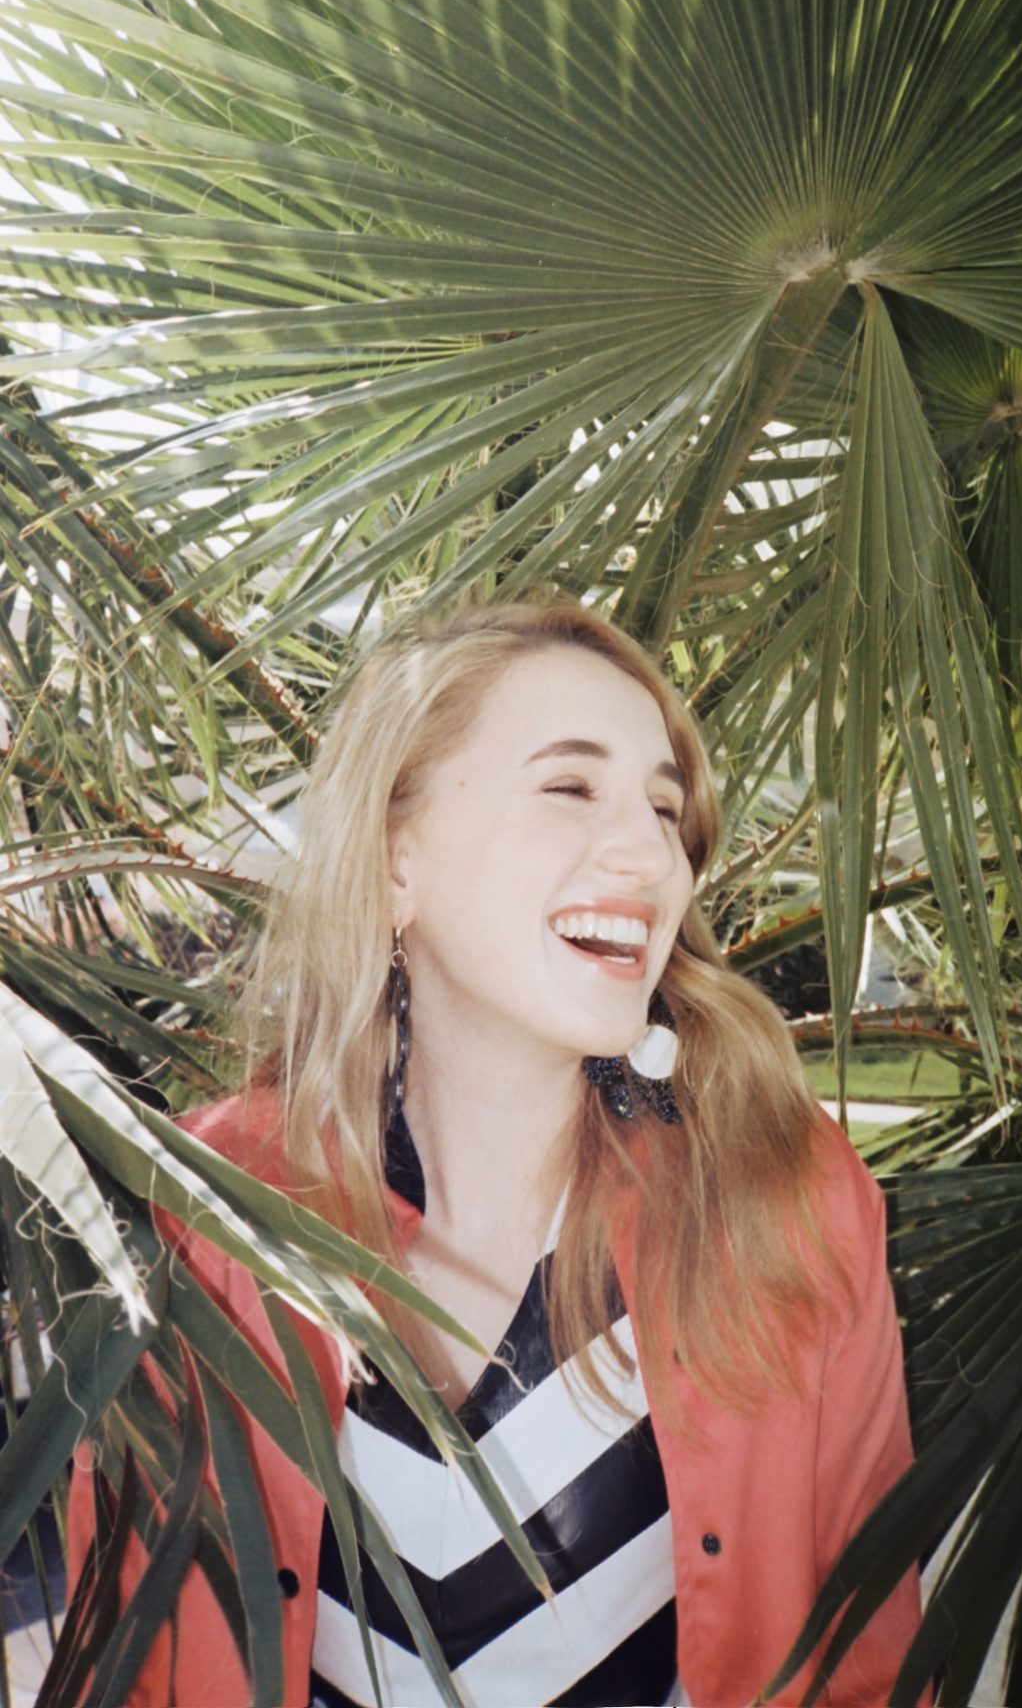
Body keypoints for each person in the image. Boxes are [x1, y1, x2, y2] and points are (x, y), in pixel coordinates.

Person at [69, 598, 922, 1706]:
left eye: (665, 809)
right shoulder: (200, 1214)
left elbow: (866, 1654)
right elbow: (128, 1657)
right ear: (395, 859)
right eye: (570, 786)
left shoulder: (786, 1200)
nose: (651, 855)